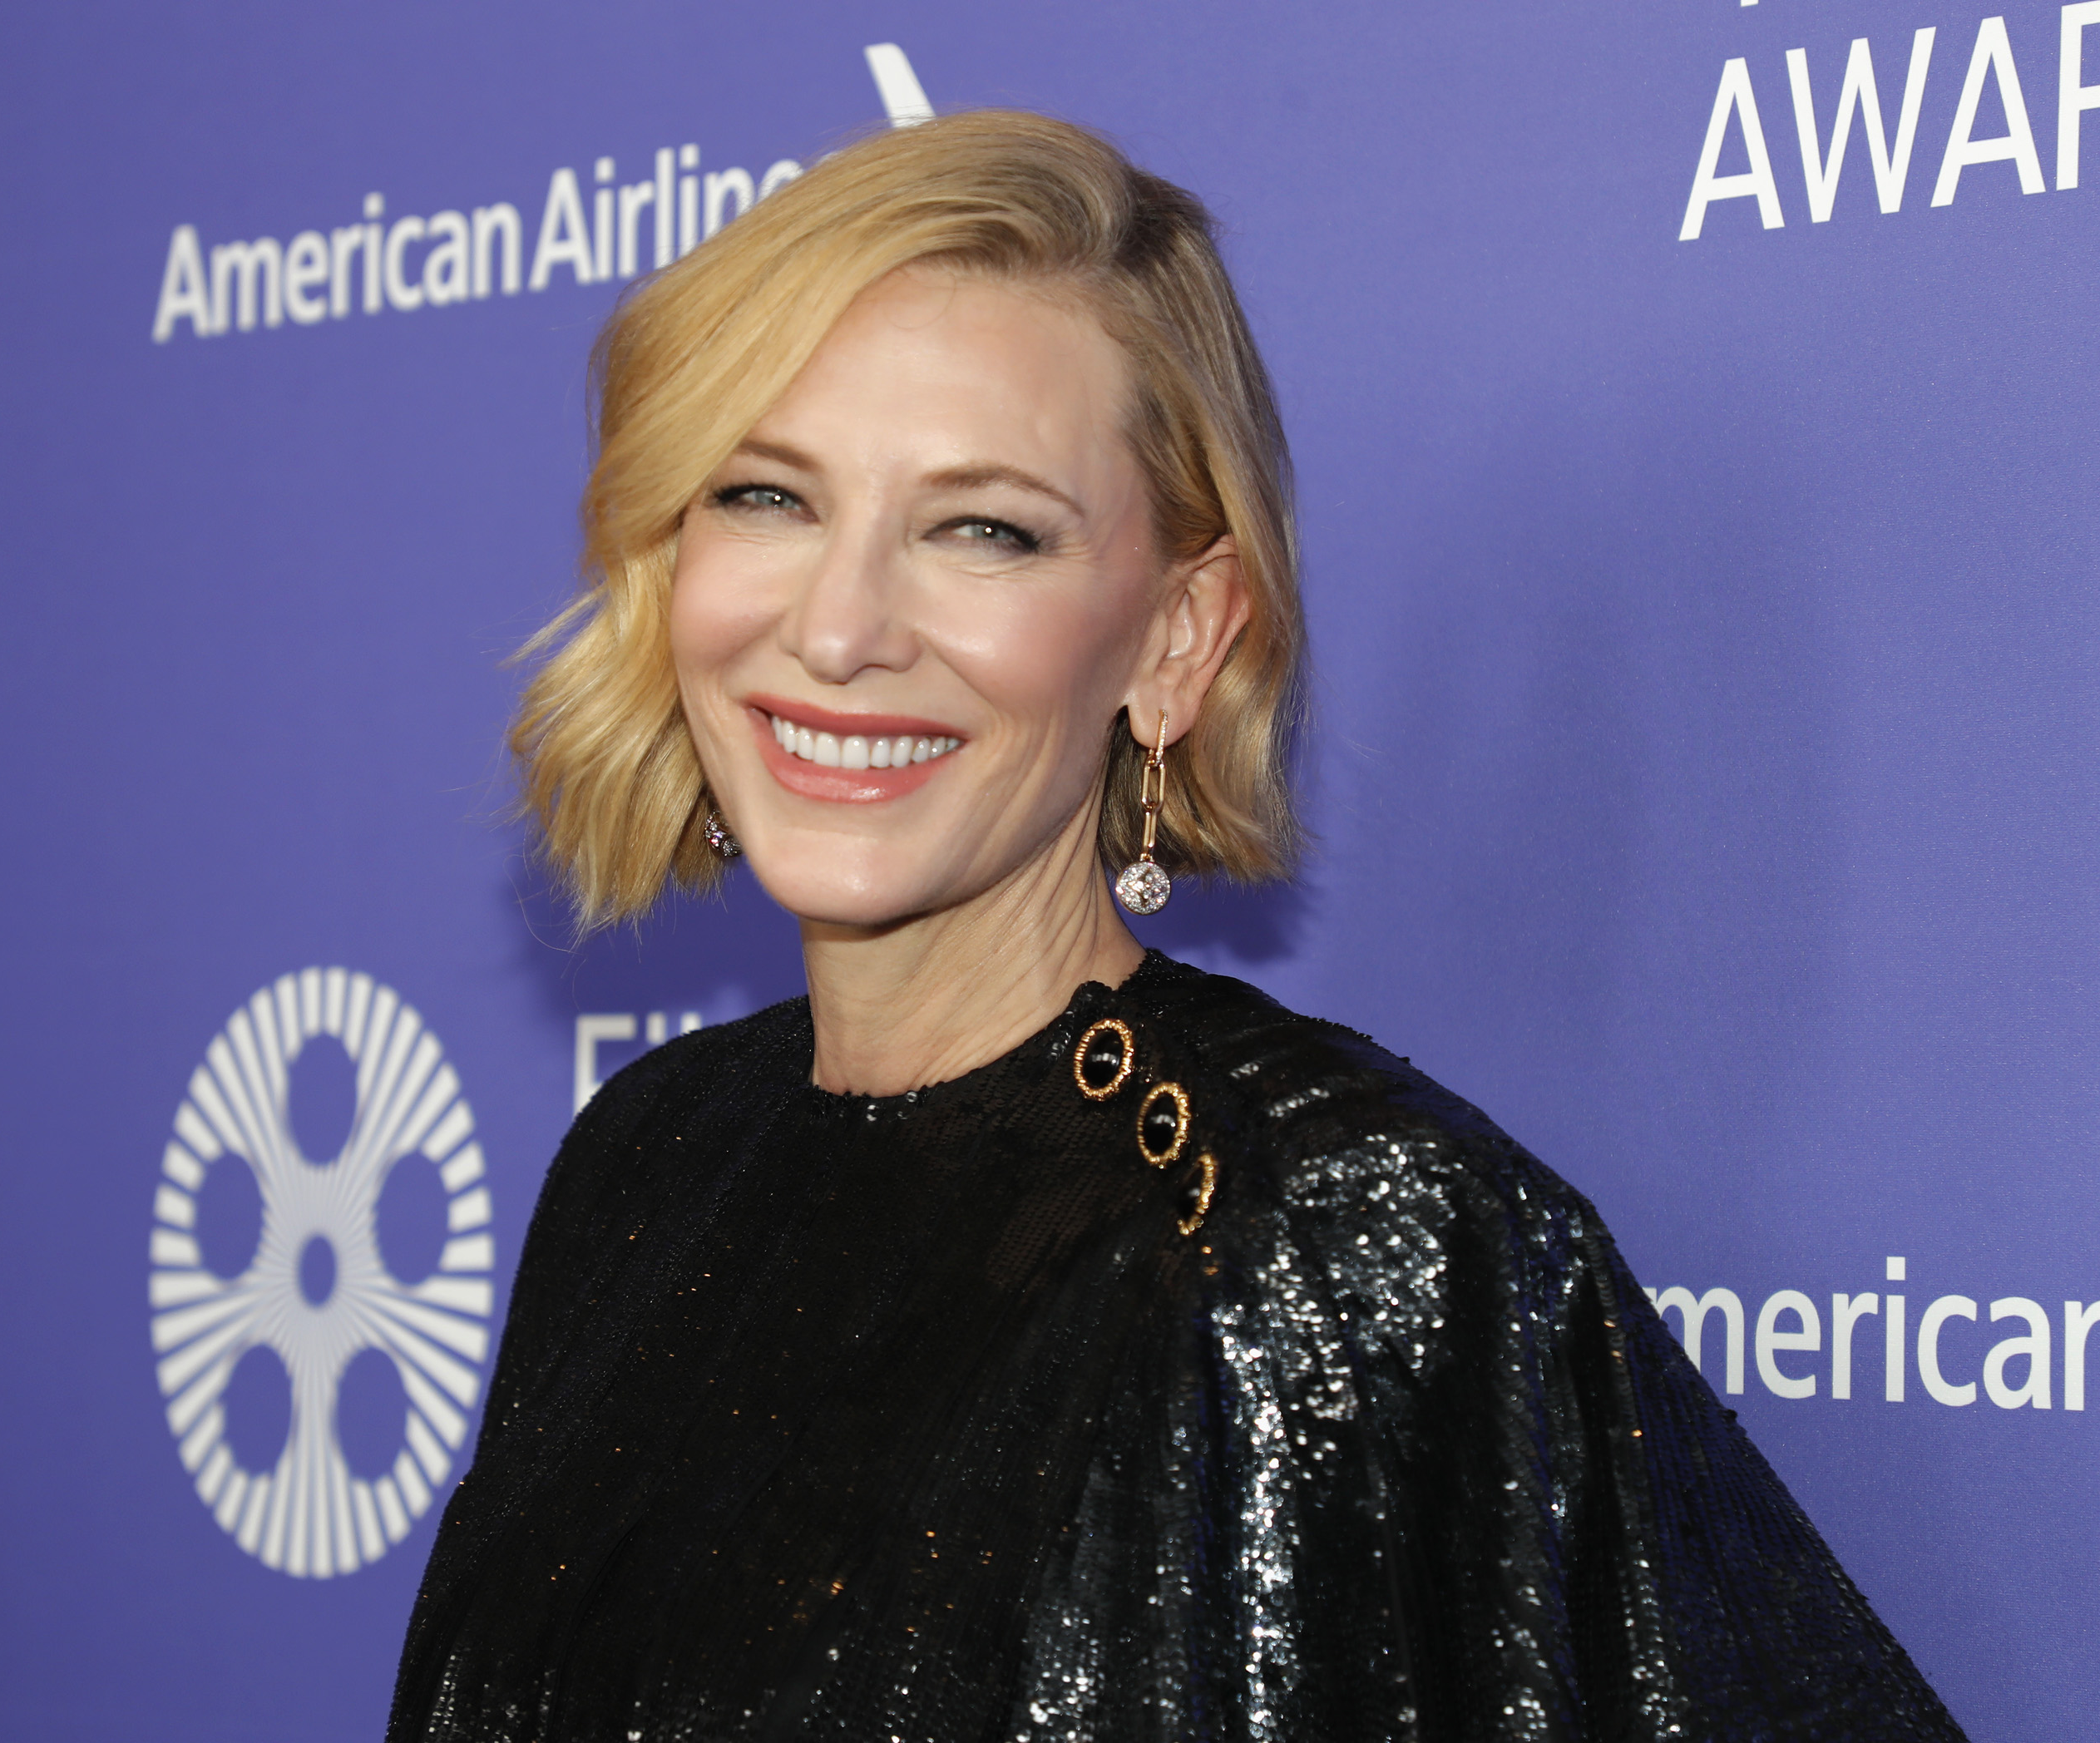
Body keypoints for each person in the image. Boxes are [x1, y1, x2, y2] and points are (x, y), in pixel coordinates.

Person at [388, 111, 1965, 1742]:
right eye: (768, 494)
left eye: (981, 527)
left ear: (1178, 636)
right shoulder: (646, 1160)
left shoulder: (1336, 1237)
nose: (840, 626)